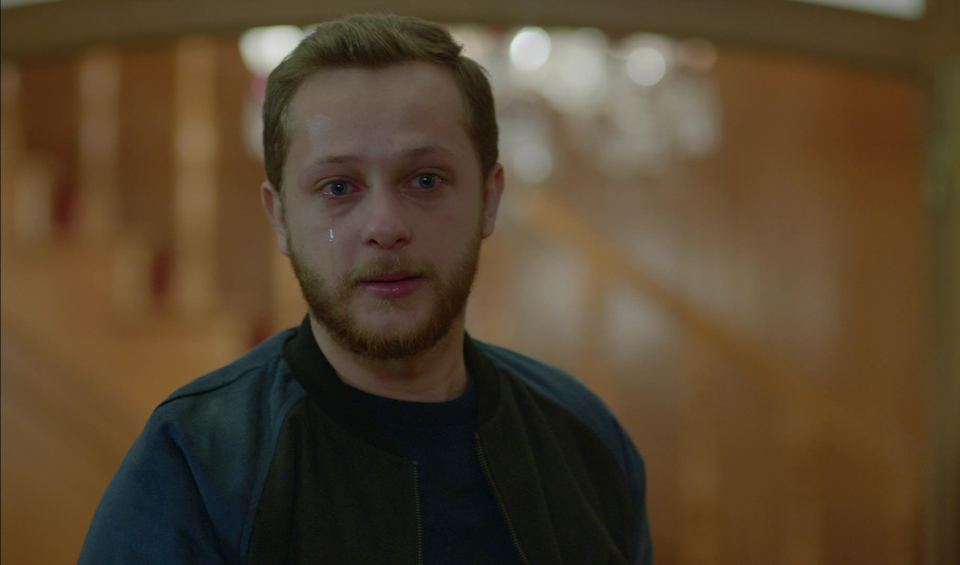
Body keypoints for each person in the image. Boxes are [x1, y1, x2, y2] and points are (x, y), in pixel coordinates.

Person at [80, 14, 653, 564]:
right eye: (338, 187)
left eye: (425, 179)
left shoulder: (584, 436)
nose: (385, 226)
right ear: (280, 218)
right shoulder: (196, 464)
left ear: (489, 199)